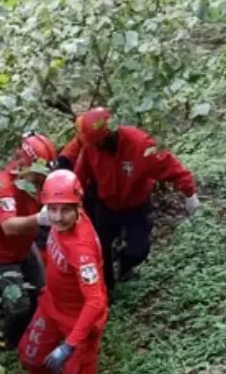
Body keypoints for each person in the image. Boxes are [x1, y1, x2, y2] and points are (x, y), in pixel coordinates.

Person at [56, 108, 200, 296]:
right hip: (106, 206)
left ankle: (125, 263)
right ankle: (107, 289)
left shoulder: (140, 145)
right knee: (100, 250)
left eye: (99, 143)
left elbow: (170, 166)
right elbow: (81, 176)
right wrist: (69, 200)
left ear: (111, 134)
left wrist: (189, 193)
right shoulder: (91, 147)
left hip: (136, 206)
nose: (96, 147)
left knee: (138, 251)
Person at [18, 169, 108, 374]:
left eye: (65, 209)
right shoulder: (61, 220)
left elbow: (95, 301)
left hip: (79, 318)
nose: (57, 217)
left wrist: (69, 344)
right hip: (52, 305)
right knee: (31, 355)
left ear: (78, 206)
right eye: (52, 209)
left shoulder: (82, 250)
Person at [0, 132, 57, 349]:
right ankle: (12, 344)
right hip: (1, 256)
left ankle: (34, 336)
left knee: (42, 292)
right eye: (38, 175)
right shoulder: (3, 185)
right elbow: (8, 226)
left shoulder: (36, 182)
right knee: (19, 306)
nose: (41, 179)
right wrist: (40, 219)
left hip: (25, 247)